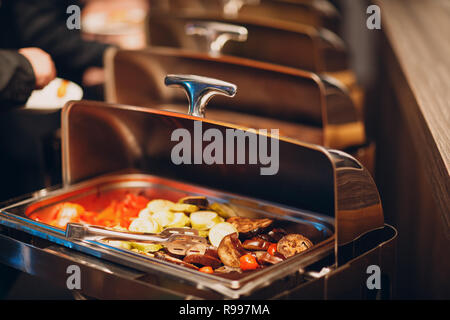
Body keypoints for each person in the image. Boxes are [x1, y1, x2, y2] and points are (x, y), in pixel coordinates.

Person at [0, 0, 111, 109]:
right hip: (38, 90)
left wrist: (79, 13)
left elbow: (67, 14)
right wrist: (110, 52)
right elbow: (46, 37)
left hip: (64, 79)